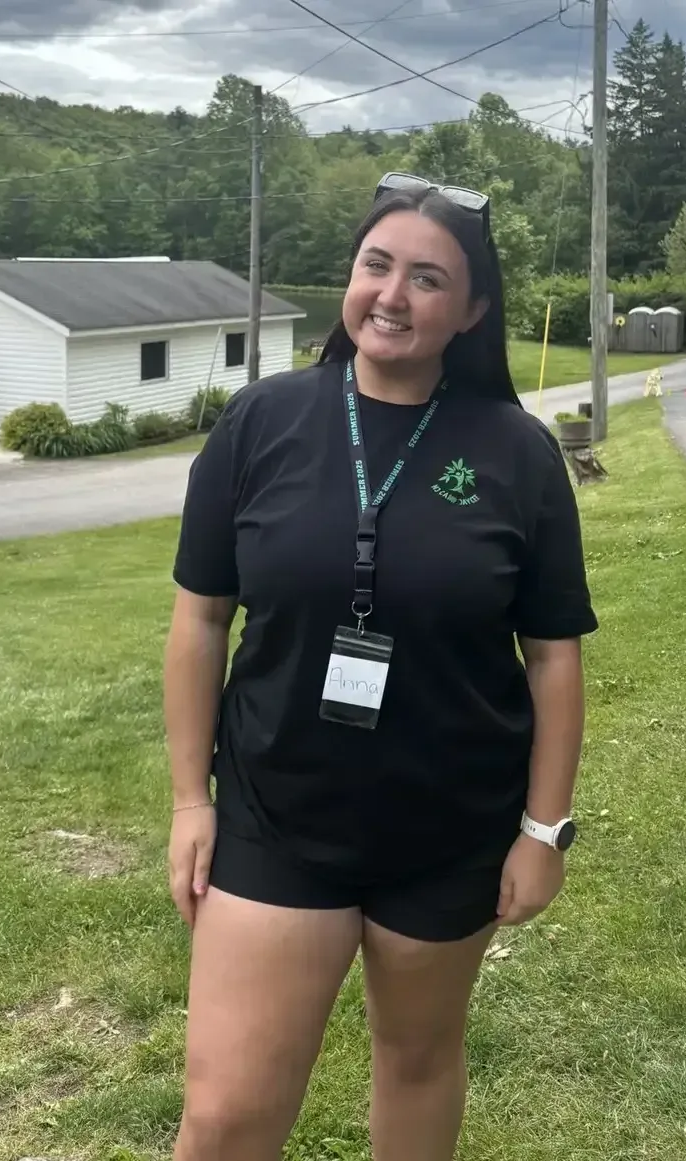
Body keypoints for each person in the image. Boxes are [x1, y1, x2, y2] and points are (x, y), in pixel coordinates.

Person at [164, 171, 598, 1161]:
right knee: (227, 1114)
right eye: (377, 265)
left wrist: (543, 831)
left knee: (416, 1063)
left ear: (472, 310)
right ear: (351, 278)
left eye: (429, 279)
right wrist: (193, 801)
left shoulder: (517, 453)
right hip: (279, 818)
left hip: (450, 830)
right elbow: (199, 622)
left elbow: (553, 655)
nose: (393, 296)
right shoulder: (262, 424)